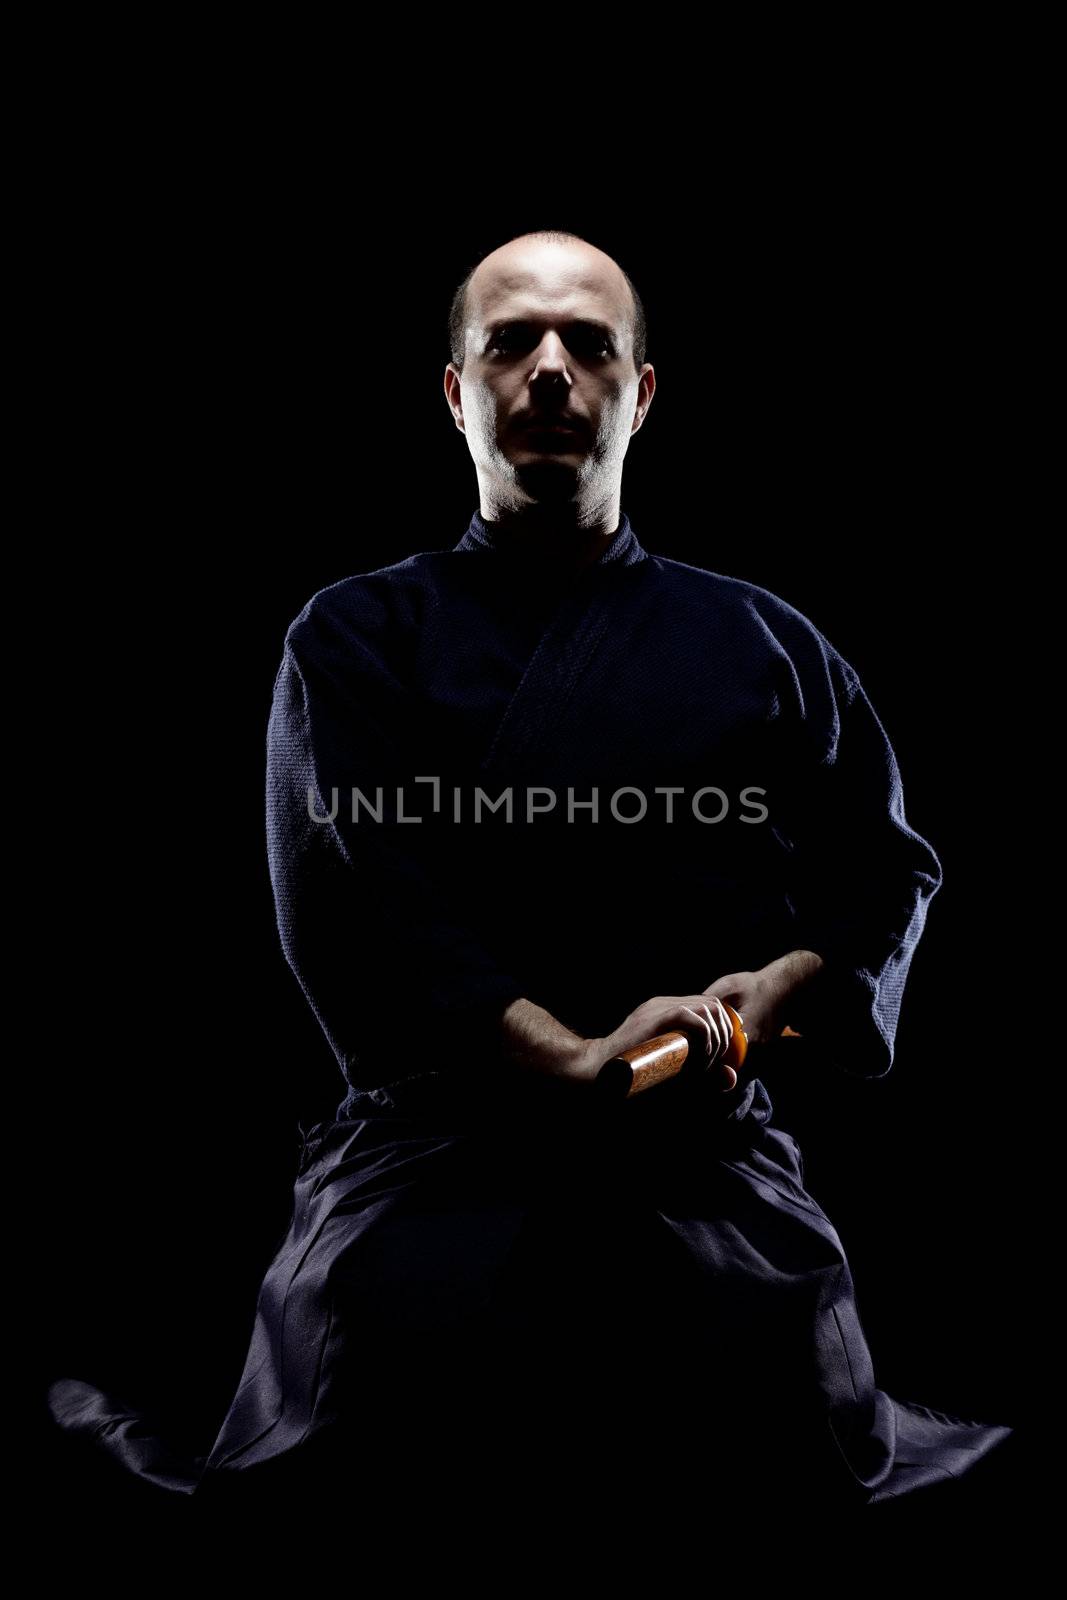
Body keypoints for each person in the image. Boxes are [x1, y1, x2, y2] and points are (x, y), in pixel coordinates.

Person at [47, 229, 1013, 1524]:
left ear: (641, 391)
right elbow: (358, 887)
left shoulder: (761, 638)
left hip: (697, 1150)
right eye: (510, 344)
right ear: (457, 390)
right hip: (437, 1148)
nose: (549, 370)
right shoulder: (354, 632)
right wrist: (560, 1053)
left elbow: (884, 867)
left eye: (588, 345)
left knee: (801, 1426)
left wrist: (774, 988)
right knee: (346, 1439)